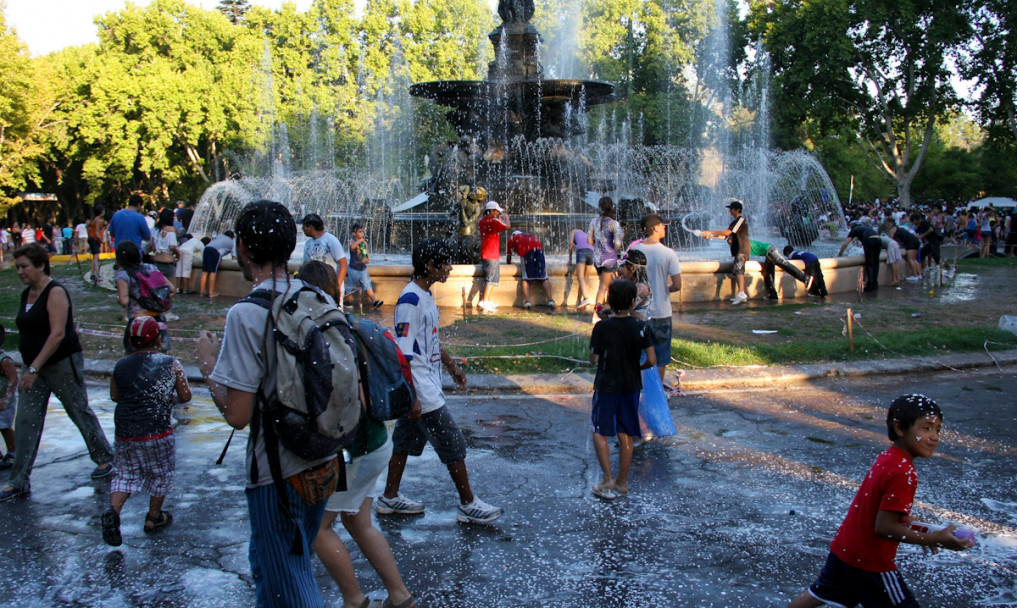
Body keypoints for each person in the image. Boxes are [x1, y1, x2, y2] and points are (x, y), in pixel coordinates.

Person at [197, 200, 339, 607]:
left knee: (288, 585)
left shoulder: (246, 314)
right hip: (324, 460)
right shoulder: (314, 296)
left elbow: (238, 415)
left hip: (278, 473)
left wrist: (208, 364)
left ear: (241, 247)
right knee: (273, 566)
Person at [298, 261, 417, 608]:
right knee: (357, 522)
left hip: (360, 449)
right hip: (376, 443)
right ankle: (399, 596)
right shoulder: (346, 324)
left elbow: (355, 401)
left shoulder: (326, 334)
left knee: (318, 528)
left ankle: (354, 600)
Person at [787, 394, 975, 608]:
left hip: (845, 549)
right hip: (871, 563)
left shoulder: (888, 457)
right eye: (926, 428)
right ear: (900, 428)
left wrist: (917, 525)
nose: (934, 437)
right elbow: (884, 527)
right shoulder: (904, 472)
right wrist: (934, 540)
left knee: (817, 595)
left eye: (937, 430)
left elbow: (879, 510)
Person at [375, 239, 503, 524]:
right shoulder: (410, 300)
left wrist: (452, 366)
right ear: (430, 265)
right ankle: (468, 504)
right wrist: (414, 398)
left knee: (404, 442)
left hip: (425, 386)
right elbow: (403, 353)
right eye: (445, 263)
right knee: (453, 444)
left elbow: (430, 341)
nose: (449, 268)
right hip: (421, 390)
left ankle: (389, 497)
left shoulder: (426, 295)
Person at [0, 243, 115, 502]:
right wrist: (30, 368)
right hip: (34, 368)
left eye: (24, 267)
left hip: (60, 363)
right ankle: (18, 480)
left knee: (78, 410)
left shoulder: (55, 293)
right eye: (17, 267)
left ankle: (105, 458)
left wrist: (32, 368)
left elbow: (58, 334)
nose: (19, 272)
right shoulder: (26, 294)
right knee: (26, 420)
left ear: (40, 265)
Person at [101, 316, 192, 547]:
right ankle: (153, 517)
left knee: (125, 475)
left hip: (125, 433)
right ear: (158, 338)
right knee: (161, 474)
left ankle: (113, 511)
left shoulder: (120, 365)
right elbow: (186, 396)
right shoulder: (171, 364)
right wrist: (165, 397)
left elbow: (115, 396)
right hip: (157, 433)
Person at [588, 279, 656, 500]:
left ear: (610, 300)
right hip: (631, 386)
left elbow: (594, 359)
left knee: (599, 430)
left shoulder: (602, 327)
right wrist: (638, 366)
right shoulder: (642, 327)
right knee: (626, 432)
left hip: (606, 385)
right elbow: (652, 360)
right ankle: (622, 483)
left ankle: (607, 477)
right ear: (632, 304)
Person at [633, 214, 682, 388]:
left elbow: (625, 279)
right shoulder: (668, 253)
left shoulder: (634, 252)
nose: (664, 227)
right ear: (654, 228)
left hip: (639, 314)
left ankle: (638, 390)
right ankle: (656, 394)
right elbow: (677, 285)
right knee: (660, 356)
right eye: (662, 225)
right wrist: (662, 289)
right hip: (661, 313)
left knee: (638, 354)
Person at [115, 241, 171, 353]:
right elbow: (172, 289)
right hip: (158, 319)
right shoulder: (151, 268)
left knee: (134, 358)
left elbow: (124, 301)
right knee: (160, 357)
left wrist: (119, 299)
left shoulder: (123, 275)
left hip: (138, 321)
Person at [701, 199, 750, 305]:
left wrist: (711, 231)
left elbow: (727, 232)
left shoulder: (741, 220)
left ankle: (742, 293)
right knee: (737, 270)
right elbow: (725, 237)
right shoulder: (734, 222)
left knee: (739, 270)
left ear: (738, 209)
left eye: (731, 209)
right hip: (738, 249)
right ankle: (740, 294)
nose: (730, 211)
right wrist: (710, 236)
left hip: (742, 248)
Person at [301, 213, 348, 301]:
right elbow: (305, 264)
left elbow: (343, 264)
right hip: (313, 288)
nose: (302, 229)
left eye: (303, 226)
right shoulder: (308, 243)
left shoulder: (331, 240)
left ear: (310, 227)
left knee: (332, 313)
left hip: (330, 287)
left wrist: (336, 287)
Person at [587, 196, 623, 308]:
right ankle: (596, 315)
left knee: (609, 285)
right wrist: (620, 237)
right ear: (611, 208)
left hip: (597, 259)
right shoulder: (614, 224)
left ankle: (611, 311)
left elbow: (589, 240)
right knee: (603, 287)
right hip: (609, 259)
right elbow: (617, 244)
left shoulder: (594, 222)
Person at [506, 230, 556, 310]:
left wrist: (508, 263)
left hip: (527, 252)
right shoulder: (529, 235)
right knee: (544, 276)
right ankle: (550, 300)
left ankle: (527, 302)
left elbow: (509, 256)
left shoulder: (512, 239)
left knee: (526, 278)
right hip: (539, 251)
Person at [477, 200, 510, 312]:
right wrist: (506, 218)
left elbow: (496, 226)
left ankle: (488, 300)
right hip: (492, 254)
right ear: (491, 211)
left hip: (485, 253)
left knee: (492, 278)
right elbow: (507, 227)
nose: (498, 214)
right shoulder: (493, 222)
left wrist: (499, 219)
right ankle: (484, 301)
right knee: (491, 279)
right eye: (496, 211)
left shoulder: (482, 221)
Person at [346, 223, 383, 310]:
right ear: (354, 233)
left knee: (368, 285)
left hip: (363, 268)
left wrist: (367, 259)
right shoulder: (352, 241)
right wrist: (360, 241)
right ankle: (345, 300)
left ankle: (374, 301)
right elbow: (352, 247)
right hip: (354, 268)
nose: (362, 234)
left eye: (362, 232)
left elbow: (365, 255)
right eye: (359, 232)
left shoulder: (364, 243)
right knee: (350, 286)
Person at [838, 220, 881, 292]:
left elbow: (846, 244)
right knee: (876, 262)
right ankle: (875, 283)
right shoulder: (865, 227)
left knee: (869, 263)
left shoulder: (854, 230)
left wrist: (840, 255)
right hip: (878, 239)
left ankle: (870, 284)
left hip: (869, 240)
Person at [200, 230, 235, 298]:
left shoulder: (219, 237)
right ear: (232, 237)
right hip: (215, 251)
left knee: (205, 271)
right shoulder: (231, 242)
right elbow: (234, 257)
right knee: (213, 271)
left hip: (206, 248)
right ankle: (211, 292)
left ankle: (202, 291)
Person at [0, 338, 18, 469]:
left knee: (5, 427)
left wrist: (5, 399)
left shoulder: (4, 360)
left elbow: (13, 379)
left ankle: (13, 453)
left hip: (3, 402)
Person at [152, 209, 180, 287]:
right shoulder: (171, 229)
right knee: (172, 289)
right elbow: (172, 246)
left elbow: (153, 248)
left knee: (158, 288)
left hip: (157, 262)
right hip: (168, 263)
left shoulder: (156, 229)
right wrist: (178, 255)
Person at [567, 228, 594, 309]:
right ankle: (585, 303)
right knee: (586, 277)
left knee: (580, 277)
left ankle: (586, 299)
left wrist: (570, 260)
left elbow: (571, 244)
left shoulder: (574, 231)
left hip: (582, 251)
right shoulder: (585, 234)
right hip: (591, 252)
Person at [87, 206, 107, 283]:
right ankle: (96, 275)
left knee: (94, 257)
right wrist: (100, 240)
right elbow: (96, 232)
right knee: (96, 257)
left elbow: (87, 226)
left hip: (91, 238)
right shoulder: (99, 220)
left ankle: (92, 274)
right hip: (95, 239)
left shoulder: (93, 219)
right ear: (101, 211)